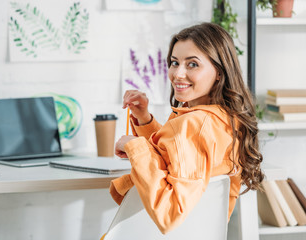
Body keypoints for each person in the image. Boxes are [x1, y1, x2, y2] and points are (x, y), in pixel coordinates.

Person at [110, 22, 264, 234]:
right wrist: (144, 120)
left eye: (192, 64)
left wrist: (135, 146)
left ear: (219, 71)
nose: (178, 74)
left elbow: (170, 213)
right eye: (175, 62)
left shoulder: (195, 124)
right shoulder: (225, 120)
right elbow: (173, 155)